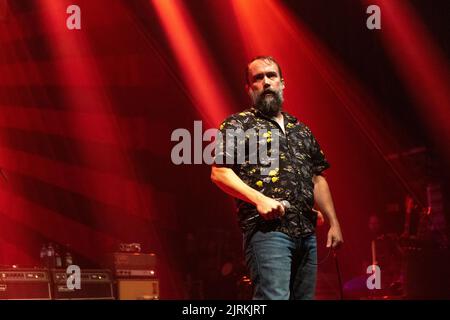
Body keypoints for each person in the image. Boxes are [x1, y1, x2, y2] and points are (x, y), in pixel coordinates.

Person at [211, 56, 343, 300]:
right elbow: (220, 172)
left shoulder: (300, 129)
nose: (266, 82)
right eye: (258, 78)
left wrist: (334, 223)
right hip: (267, 232)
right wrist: (259, 200)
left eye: (271, 76)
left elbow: (317, 178)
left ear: (283, 83)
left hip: (306, 232)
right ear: (249, 89)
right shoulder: (238, 123)